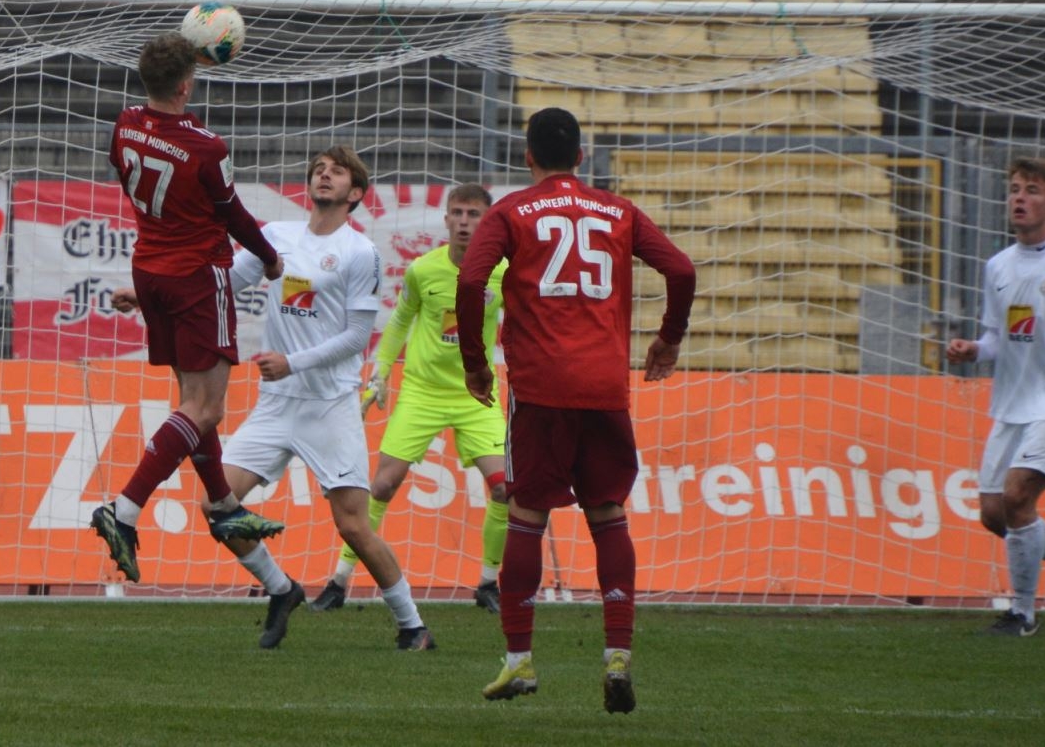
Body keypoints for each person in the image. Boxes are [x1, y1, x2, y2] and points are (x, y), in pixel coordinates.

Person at [458, 108, 696, 713]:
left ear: (528, 156)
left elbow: (471, 282)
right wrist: (668, 339)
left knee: (526, 515)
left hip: (540, 387)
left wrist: (475, 364)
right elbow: (681, 269)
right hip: (604, 385)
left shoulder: (511, 211)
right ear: (581, 157)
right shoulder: (618, 210)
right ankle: (617, 655)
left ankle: (519, 661)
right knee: (608, 513)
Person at [206, 146, 434, 650]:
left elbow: (357, 338)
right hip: (276, 403)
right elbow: (223, 284)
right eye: (318, 169)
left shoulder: (360, 252)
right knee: (216, 505)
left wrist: (294, 361)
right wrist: (150, 296)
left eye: (337, 171)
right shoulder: (275, 236)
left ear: (356, 193)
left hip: (329, 405)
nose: (324, 175)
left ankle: (413, 624)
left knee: (353, 525)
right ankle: (281, 588)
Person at [91, 32, 287, 584]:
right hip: (197, 276)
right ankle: (124, 509)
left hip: (150, 270)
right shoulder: (206, 146)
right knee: (206, 408)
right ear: (186, 83)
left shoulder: (125, 124)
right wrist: (270, 258)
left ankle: (223, 504)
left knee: (191, 401)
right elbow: (233, 214)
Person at [307, 183, 511, 614]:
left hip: (476, 395)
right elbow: (400, 321)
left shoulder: (504, 272)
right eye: (457, 213)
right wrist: (381, 370)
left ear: (488, 221)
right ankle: (339, 581)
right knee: (381, 485)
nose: (463, 222)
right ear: (446, 219)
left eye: (473, 215)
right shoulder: (423, 270)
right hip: (422, 391)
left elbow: (522, 323)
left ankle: (488, 583)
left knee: (504, 488)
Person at [946, 156, 1045, 637]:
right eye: (1015, 189)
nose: (1020, 198)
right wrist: (974, 349)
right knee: (995, 514)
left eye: (1032, 190)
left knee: (1018, 495)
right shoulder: (998, 266)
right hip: (1012, 403)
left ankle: (1022, 614)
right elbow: (1001, 337)